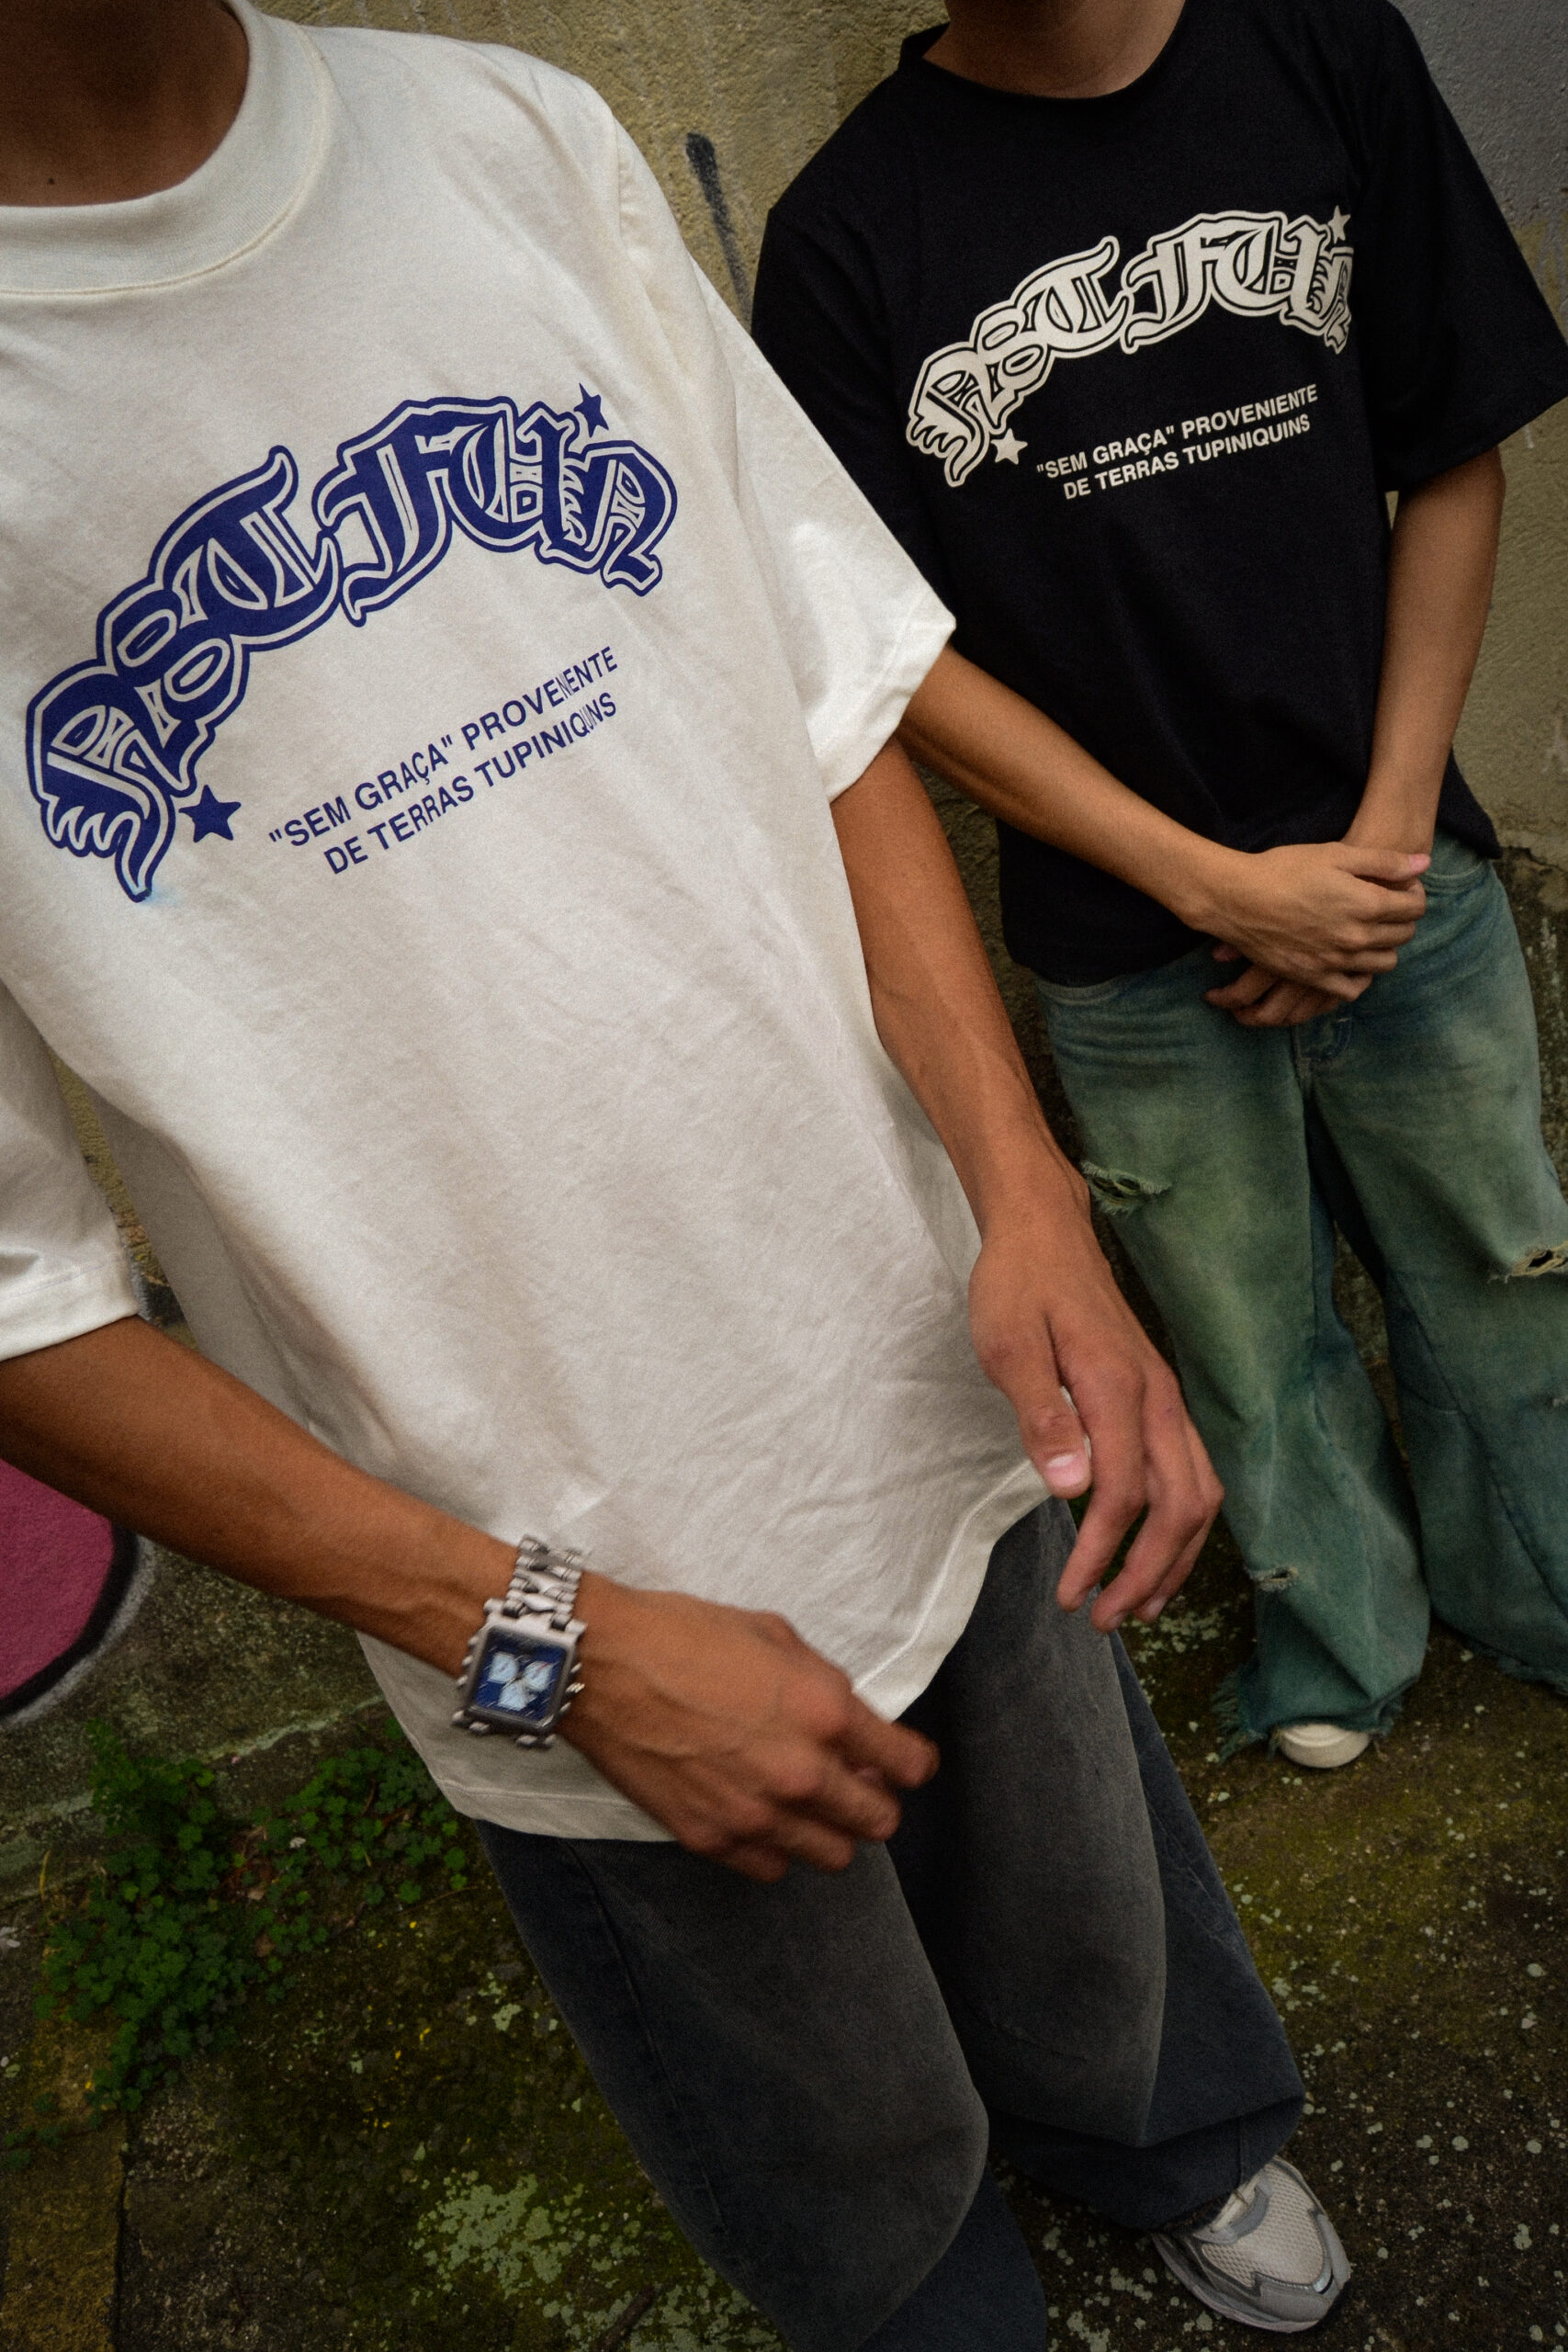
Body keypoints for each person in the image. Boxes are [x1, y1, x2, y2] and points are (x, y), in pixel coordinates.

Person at [0, 2, 1344, 2340]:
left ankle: (1172, 2134)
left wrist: (1023, 1193)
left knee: (1091, 1880)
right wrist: (538, 1631)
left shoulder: (502, 136)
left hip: (924, 1335)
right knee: (814, 2103)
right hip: (533, 1526)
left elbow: (825, 696)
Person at [752, 0, 1568, 1775]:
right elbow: (884, 662)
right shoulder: (847, 235)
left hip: (1396, 865)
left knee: (1503, 1267)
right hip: (1132, 943)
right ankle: (1342, 1639)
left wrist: (1385, 838)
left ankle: (1541, 1588)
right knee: (1243, 1334)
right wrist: (1211, 885)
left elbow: (1454, 443)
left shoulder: (1324, 53)